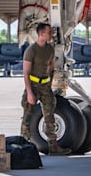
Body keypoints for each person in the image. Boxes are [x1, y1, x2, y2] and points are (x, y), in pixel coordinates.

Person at [20, 23, 71, 155]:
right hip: (33, 86)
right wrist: (30, 93)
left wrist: (49, 85)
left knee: (50, 116)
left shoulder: (49, 49)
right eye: (49, 32)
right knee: (27, 117)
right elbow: (26, 73)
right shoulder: (31, 50)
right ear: (41, 33)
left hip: (45, 87)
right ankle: (23, 148)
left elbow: (51, 67)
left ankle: (53, 147)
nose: (51, 35)